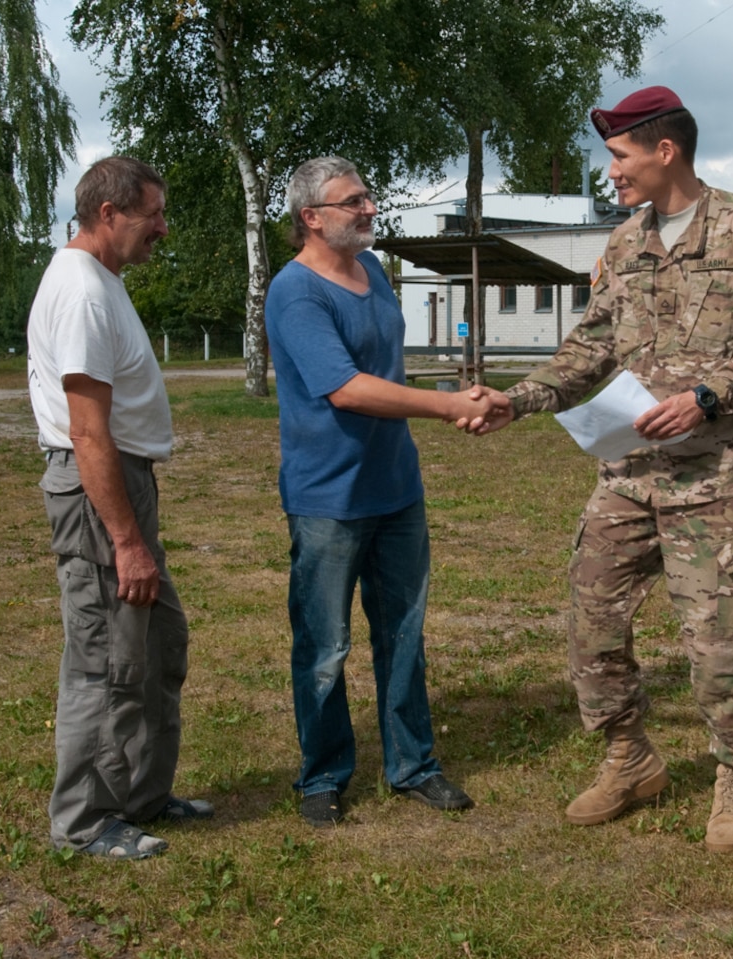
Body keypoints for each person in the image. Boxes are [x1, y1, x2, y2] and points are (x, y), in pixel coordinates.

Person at [473, 87, 733, 852]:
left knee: (723, 639)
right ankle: (630, 756)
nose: (612, 173)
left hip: (718, 480)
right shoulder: (625, 245)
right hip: (628, 474)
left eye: (621, 157)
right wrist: (518, 399)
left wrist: (705, 397)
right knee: (591, 617)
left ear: (667, 151)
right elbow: (588, 346)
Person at [265, 156, 508, 826]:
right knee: (323, 647)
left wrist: (445, 405)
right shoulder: (295, 292)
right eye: (353, 202)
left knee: (403, 633)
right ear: (311, 218)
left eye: (369, 196)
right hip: (328, 500)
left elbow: (383, 368)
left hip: (395, 487)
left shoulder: (371, 271)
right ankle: (322, 774)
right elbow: (345, 387)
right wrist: (447, 404)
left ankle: (413, 764)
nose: (370, 209)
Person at [26, 156, 213, 860]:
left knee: (158, 644)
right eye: (153, 214)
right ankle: (84, 820)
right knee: (107, 659)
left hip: (125, 485)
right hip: (99, 491)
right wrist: (126, 541)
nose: (162, 228)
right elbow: (86, 431)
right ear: (109, 213)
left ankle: (140, 795)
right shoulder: (79, 289)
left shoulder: (102, 282)